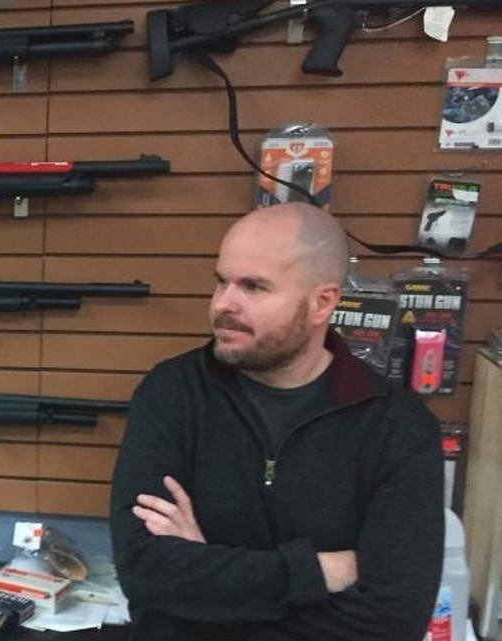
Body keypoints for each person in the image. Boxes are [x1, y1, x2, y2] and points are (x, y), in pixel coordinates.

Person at [110, 203, 444, 640]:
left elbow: (392, 620)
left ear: (322, 303)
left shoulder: (398, 427)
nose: (223, 304)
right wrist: (319, 571)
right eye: (221, 282)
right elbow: (145, 572)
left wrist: (205, 582)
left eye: (253, 287)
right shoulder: (172, 394)